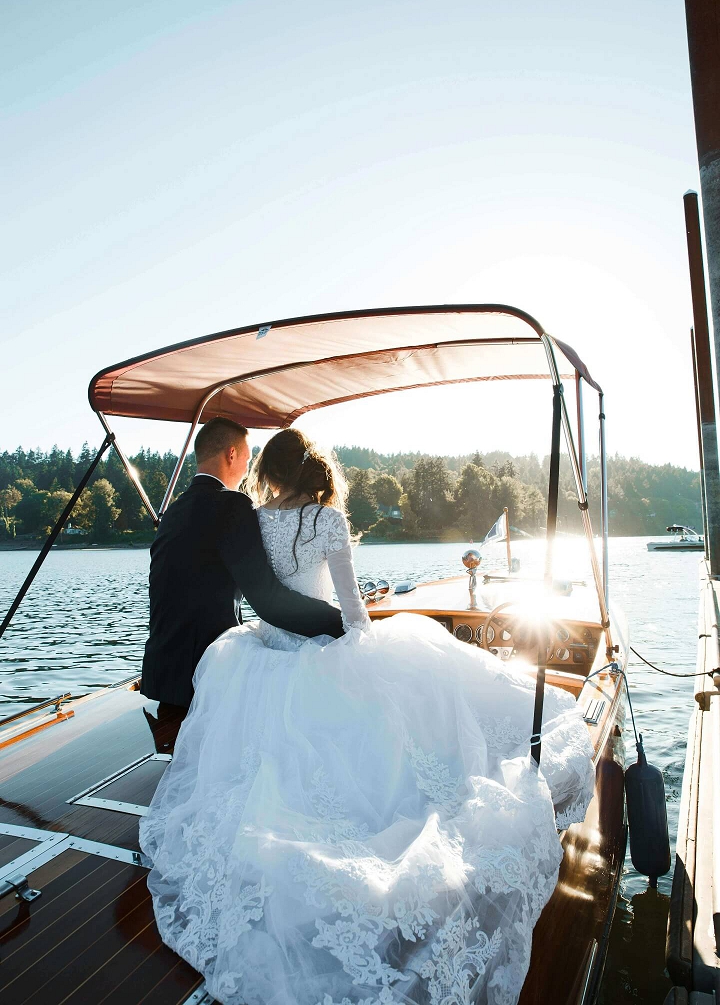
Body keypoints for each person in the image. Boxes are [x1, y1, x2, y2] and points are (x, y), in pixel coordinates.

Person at [140, 429, 595, 1005]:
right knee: (406, 696)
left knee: (277, 759)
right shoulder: (319, 520)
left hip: (249, 653)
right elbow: (337, 604)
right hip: (314, 634)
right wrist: (355, 631)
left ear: (270, 472)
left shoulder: (240, 515)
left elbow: (257, 592)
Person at [140, 418, 344, 712]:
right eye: (247, 460)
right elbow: (268, 601)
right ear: (232, 454)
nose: (249, 470)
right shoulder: (232, 505)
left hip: (162, 674)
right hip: (206, 675)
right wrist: (343, 624)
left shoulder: (174, 510)